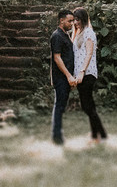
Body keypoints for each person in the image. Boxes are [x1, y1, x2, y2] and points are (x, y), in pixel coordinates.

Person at [71, 6, 108, 142]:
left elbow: (89, 53)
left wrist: (81, 72)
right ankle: (95, 134)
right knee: (88, 105)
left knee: (87, 106)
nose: (75, 22)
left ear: (84, 19)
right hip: (81, 74)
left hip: (87, 73)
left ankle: (101, 134)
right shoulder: (79, 33)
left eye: (78, 19)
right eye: (74, 19)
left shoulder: (88, 33)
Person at [49, 9, 77, 145]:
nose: (72, 23)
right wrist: (68, 76)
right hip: (61, 78)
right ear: (61, 20)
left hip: (66, 77)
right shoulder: (57, 36)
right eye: (70, 21)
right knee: (59, 106)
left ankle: (57, 134)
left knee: (61, 105)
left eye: (73, 21)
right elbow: (57, 58)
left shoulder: (65, 35)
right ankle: (57, 137)